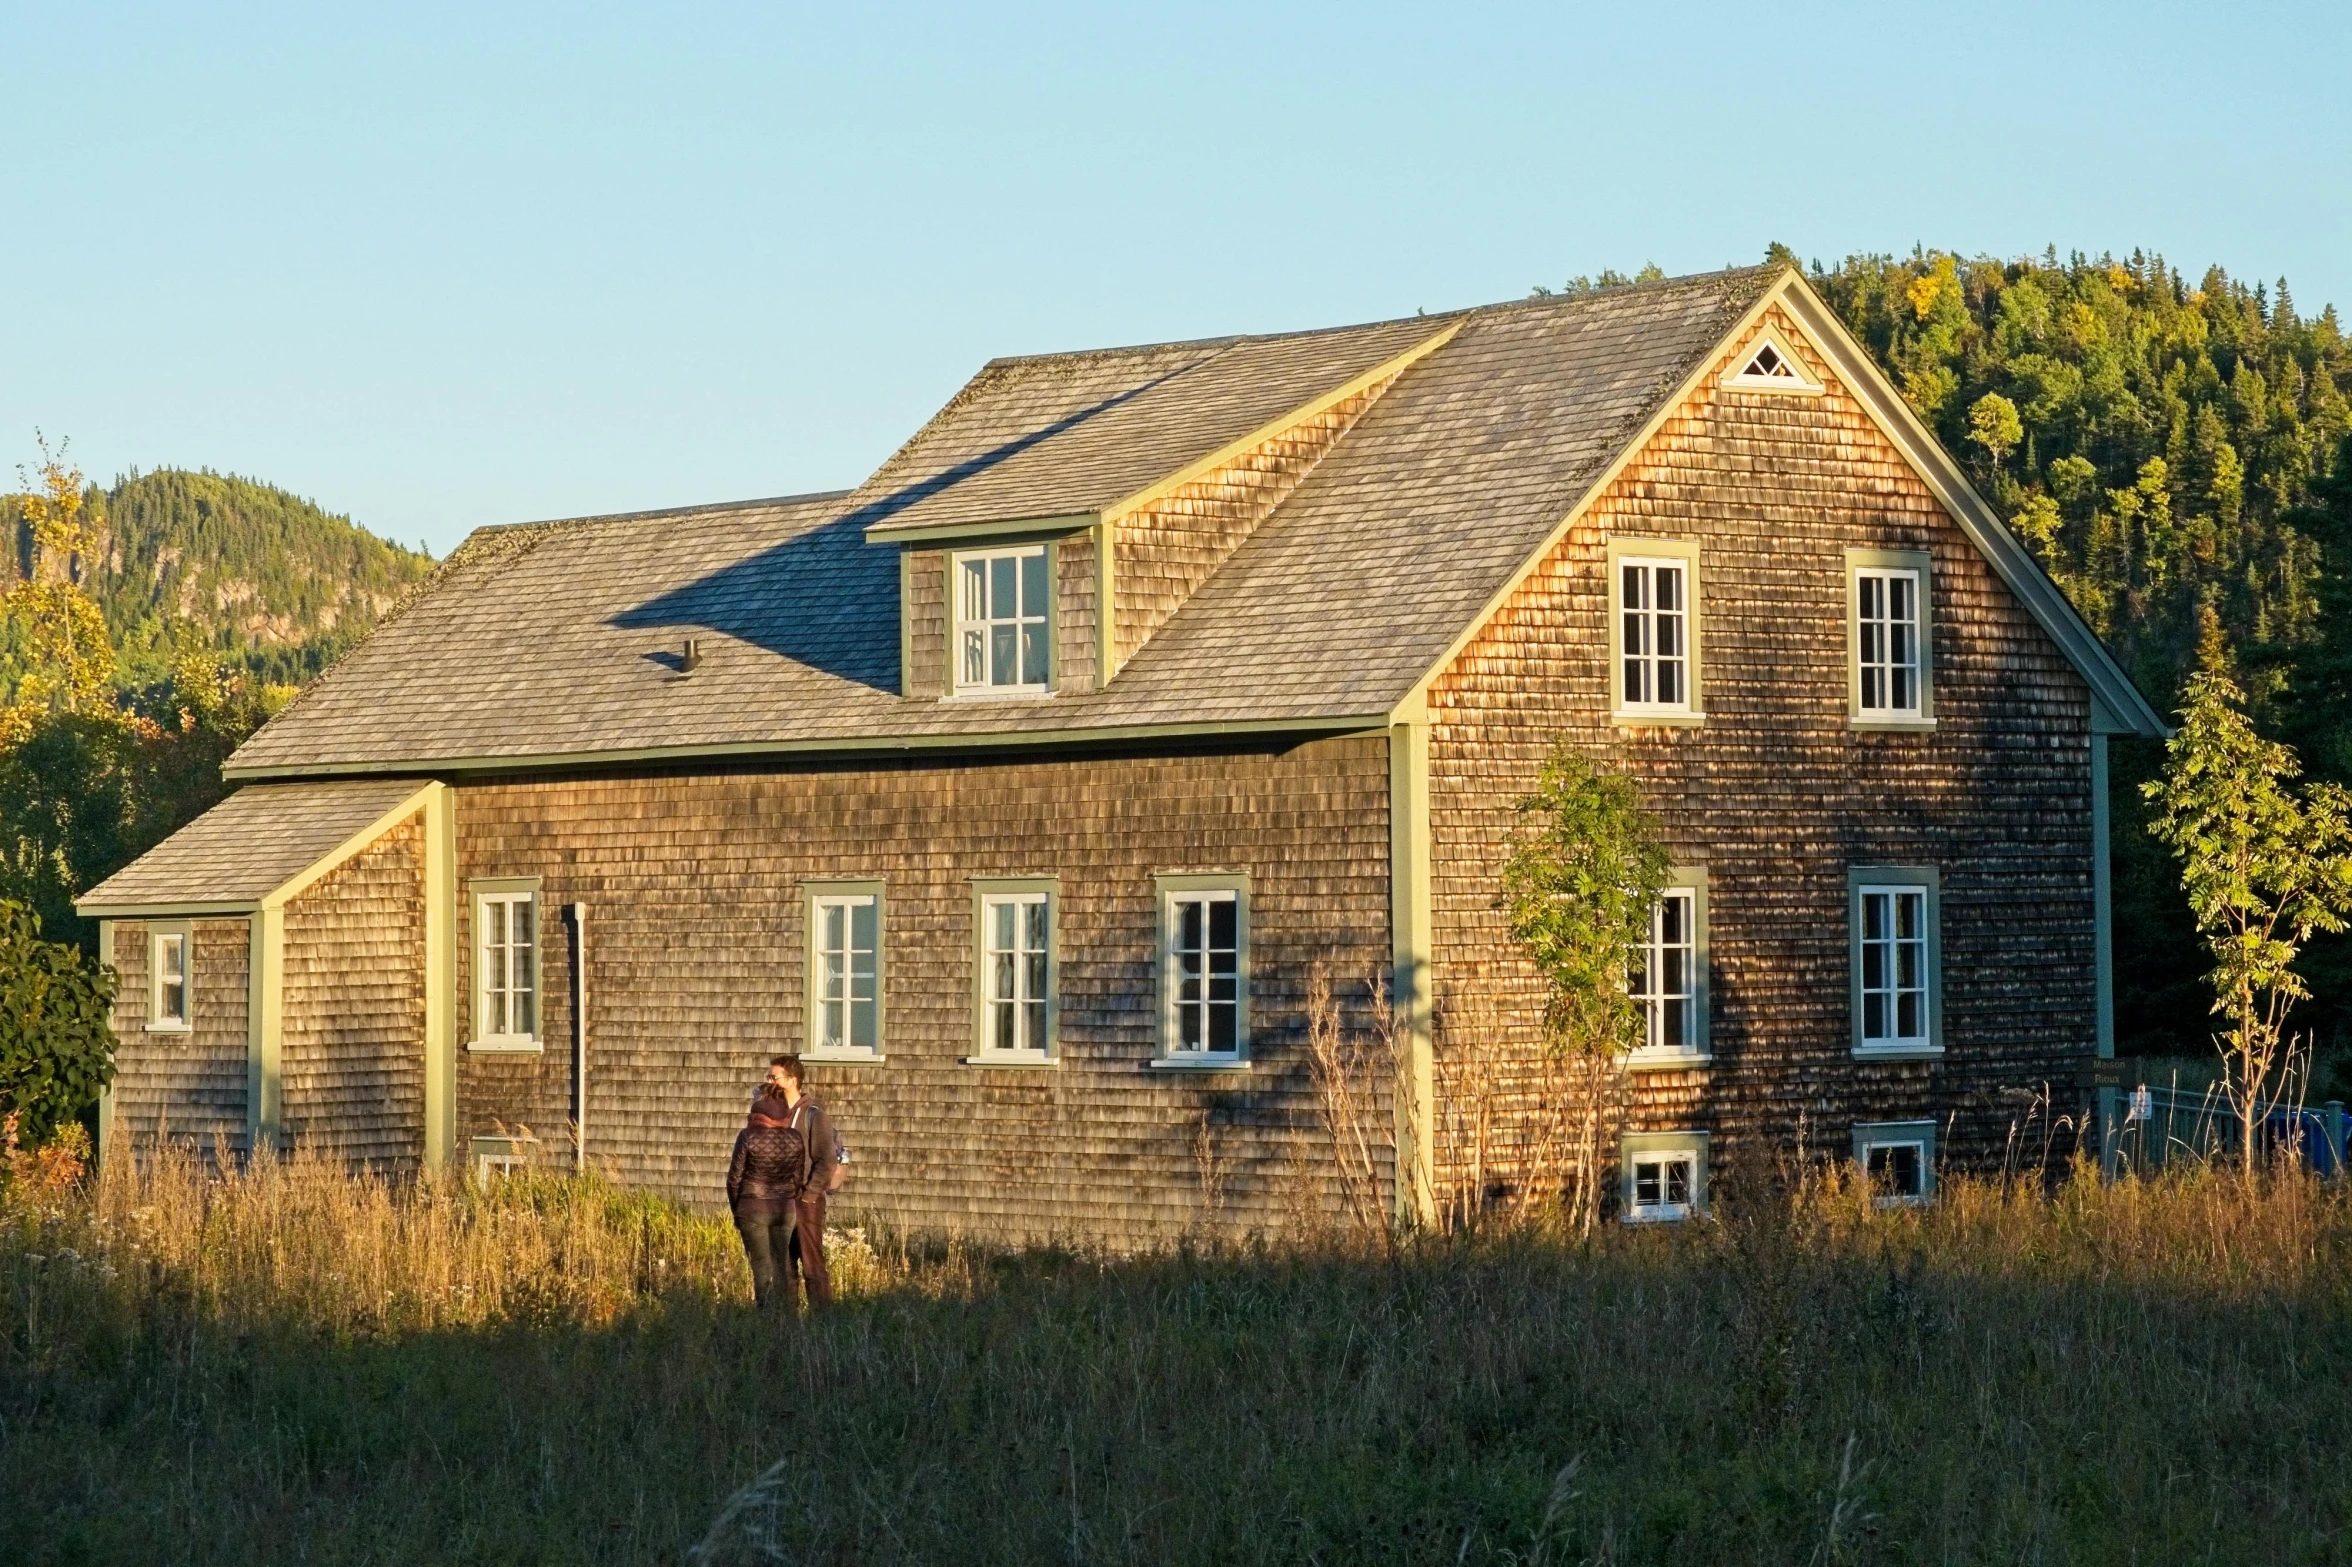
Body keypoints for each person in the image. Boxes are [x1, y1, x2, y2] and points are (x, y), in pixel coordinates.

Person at [764, 1054, 844, 1310]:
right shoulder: (773, 1114)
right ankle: (787, 1324)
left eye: (774, 1077)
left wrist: (809, 1195)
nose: (770, 1081)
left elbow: (826, 1160)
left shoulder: (814, 1114)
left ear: (792, 1080)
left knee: (812, 1266)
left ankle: (823, 1323)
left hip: (806, 1202)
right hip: (779, 1202)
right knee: (784, 1268)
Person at [726, 1081, 806, 1310]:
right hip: (785, 1208)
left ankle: (766, 1316)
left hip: (753, 1208)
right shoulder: (795, 1137)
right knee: (782, 1264)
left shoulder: (748, 1135)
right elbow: (797, 1179)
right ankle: (787, 1315)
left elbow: (734, 1179)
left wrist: (737, 1209)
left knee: (762, 1265)